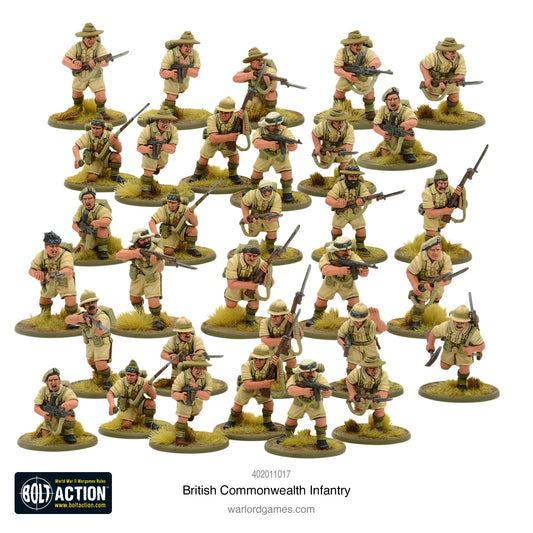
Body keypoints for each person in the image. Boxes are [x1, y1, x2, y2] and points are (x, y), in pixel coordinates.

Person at [306, 236, 370, 326]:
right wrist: (341, 270)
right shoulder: (328, 256)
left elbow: (360, 263)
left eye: (348, 249)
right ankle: (317, 316)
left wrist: (363, 271)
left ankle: (353, 320)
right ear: (335, 250)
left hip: (347, 282)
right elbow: (325, 269)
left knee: (354, 300)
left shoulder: (352, 255)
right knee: (321, 299)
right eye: (343, 250)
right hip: (330, 281)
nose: (347, 252)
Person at [425, 305, 485, 391]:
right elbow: (434, 332)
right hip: (449, 348)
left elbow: (482, 346)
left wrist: (471, 349)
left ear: (467, 322)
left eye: (462, 323)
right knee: (444, 366)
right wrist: (430, 344)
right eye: (457, 321)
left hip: (464, 351)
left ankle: (461, 382)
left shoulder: (472, 332)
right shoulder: (446, 326)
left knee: (464, 369)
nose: (459, 324)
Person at [116, 228, 166, 330]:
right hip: (137, 277)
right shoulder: (133, 248)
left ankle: (156, 319)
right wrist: (135, 253)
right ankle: (140, 314)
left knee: (153, 300)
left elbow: (160, 269)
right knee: (134, 298)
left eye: (148, 238)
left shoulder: (157, 250)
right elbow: (119, 255)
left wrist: (155, 262)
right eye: (143, 240)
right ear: (136, 241)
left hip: (152, 278)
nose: (147, 241)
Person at [277, 359, 332, 450]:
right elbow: (290, 389)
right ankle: (288, 434)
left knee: (321, 419)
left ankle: (321, 438)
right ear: (301, 371)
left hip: (315, 402)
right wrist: (303, 391)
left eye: (313, 371)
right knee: (291, 419)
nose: (311, 374)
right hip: (299, 402)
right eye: (308, 372)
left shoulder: (318, 377)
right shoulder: (295, 377)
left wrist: (327, 392)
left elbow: (327, 387)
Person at [189, 96, 246, 184]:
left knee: (235, 157)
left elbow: (246, 132)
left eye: (226, 113)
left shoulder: (236, 119)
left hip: (227, 143)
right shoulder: (212, 119)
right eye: (221, 112)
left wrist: (243, 120)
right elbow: (214, 138)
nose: (223, 115)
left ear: (231, 113)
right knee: (203, 159)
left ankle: (233, 175)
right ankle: (197, 173)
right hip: (212, 143)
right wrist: (230, 137)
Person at [65, 290, 114, 390]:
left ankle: (107, 380)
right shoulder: (85, 315)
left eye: (93, 302)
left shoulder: (102, 316)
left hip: (101, 342)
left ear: (96, 303)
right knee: (91, 361)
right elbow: (67, 320)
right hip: (90, 342)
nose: (91, 305)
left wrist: (91, 323)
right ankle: (99, 375)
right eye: (88, 304)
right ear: (84, 306)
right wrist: (80, 319)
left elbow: (99, 331)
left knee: (100, 364)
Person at [223, 343, 278, 431]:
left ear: (266, 359)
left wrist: (277, 366)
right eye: (255, 358)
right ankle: (231, 420)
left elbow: (279, 379)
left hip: (262, 390)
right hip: (247, 389)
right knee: (237, 406)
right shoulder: (246, 365)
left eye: (260, 359)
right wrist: (264, 384)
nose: (257, 361)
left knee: (269, 404)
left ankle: (267, 421)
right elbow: (248, 385)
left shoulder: (270, 366)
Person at [62, 23, 112, 118]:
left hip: (95, 75)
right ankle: (77, 109)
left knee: (101, 95)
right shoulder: (76, 47)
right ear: (83, 38)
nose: (91, 40)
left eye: (93, 37)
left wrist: (96, 63)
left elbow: (105, 63)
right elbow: (64, 61)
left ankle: (101, 111)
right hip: (80, 74)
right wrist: (74, 63)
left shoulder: (99, 47)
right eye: (89, 37)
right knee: (76, 93)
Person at [333, 30, 383, 120]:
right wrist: (346, 75)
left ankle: (369, 110)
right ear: (350, 45)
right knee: (339, 91)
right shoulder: (342, 52)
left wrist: (373, 66)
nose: (359, 46)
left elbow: (376, 60)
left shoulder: (366, 51)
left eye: (360, 43)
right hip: (346, 75)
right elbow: (336, 69)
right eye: (355, 44)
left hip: (361, 76)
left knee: (369, 91)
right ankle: (337, 110)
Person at [406, 236, 453, 329]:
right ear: (426, 250)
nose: (436, 253)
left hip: (438, 282)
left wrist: (437, 285)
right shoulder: (420, 258)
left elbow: (447, 279)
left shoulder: (445, 258)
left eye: (438, 249)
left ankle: (432, 314)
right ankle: (417, 319)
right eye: (432, 250)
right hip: (423, 281)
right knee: (422, 296)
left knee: (438, 293)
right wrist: (415, 285)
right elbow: (410, 272)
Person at [250, 111, 299, 202]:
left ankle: (287, 192)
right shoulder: (261, 130)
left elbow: (292, 141)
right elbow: (256, 143)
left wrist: (293, 146)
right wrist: (270, 144)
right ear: (267, 125)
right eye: (274, 126)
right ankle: (253, 189)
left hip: (281, 157)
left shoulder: (284, 130)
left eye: (279, 124)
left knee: (287, 172)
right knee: (256, 172)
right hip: (264, 156)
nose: (277, 127)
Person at [326, 159, 371, 254]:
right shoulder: (339, 185)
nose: (354, 179)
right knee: (336, 230)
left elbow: (369, 199)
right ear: (346, 176)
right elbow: (328, 199)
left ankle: (360, 247)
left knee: (361, 230)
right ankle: (335, 245)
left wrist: (362, 201)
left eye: (356, 176)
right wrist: (337, 203)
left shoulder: (361, 186)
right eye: (351, 176)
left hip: (356, 212)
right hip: (341, 213)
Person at [223, 239, 272, 326]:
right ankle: (232, 319)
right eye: (249, 255)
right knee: (231, 304)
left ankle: (250, 320)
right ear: (244, 253)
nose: (251, 258)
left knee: (254, 304)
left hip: (251, 287)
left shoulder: (261, 263)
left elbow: (269, 285)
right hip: (236, 285)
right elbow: (231, 284)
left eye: (255, 256)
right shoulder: (234, 261)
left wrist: (267, 273)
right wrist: (249, 285)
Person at [28, 231, 77, 318]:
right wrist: (36, 273)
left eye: (57, 246)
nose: (55, 249)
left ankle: (72, 318)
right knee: (44, 299)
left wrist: (53, 274)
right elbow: (31, 270)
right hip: (49, 282)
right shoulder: (40, 255)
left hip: (65, 280)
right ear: (45, 246)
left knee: (70, 299)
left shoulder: (66, 254)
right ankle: (45, 315)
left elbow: (68, 271)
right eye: (51, 246)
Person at [137, 106, 179, 199]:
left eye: (168, 122)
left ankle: (156, 168)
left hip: (163, 154)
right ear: (156, 122)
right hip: (150, 153)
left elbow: (172, 150)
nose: (165, 124)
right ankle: (146, 189)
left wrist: (161, 141)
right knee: (149, 169)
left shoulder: (172, 130)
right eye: (162, 121)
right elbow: (139, 147)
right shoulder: (148, 129)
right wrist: (146, 149)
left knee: (161, 166)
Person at [171, 355, 213, 445]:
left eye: (202, 368)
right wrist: (181, 396)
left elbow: (207, 396)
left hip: (197, 401)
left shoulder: (207, 377)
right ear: (191, 368)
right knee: (183, 417)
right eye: (197, 368)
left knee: (195, 412)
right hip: (184, 400)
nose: (199, 371)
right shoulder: (182, 376)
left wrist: (196, 389)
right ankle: (180, 436)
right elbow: (173, 394)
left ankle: (190, 414)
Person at [420, 37, 467, 115]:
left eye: (455, 50)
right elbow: (422, 64)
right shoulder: (433, 57)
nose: (454, 53)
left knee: (454, 96)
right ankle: (425, 112)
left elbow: (461, 75)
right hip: (435, 80)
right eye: (450, 51)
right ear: (444, 51)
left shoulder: (460, 58)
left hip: (451, 81)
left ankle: (452, 112)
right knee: (433, 96)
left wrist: (449, 84)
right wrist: (428, 79)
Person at [107, 360, 159, 429]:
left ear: (137, 376)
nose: (129, 377)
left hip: (140, 404)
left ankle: (149, 422)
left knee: (151, 403)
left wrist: (150, 387)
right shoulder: (122, 382)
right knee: (126, 425)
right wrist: (112, 404)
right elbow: (110, 393)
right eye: (127, 374)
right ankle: (132, 418)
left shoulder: (143, 381)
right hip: (128, 406)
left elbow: (153, 397)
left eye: (132, 375)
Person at [149, 188, 200, 257]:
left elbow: (195, 224)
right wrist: (155, 233)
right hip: (169, 233)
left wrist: (191, 216)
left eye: (173, 203)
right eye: (169, 202)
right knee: (168, 251)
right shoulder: (163, 210)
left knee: (193, 230)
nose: (171, 205)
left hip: (181, 230)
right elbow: (152, 221)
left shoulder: (185, 209)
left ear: (179, 203)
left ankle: (191, 249)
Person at [72, 114, 123, 183]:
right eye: (93, 128)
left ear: (103, 129)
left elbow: (119, 150)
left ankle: (114, 176)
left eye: (98, 128)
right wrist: (77, 158)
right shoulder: (87, 135)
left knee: (117, 157)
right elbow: (75, 147)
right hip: (94, 160)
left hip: (105, 157)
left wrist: (115, 142)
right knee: (91, 178)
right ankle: (99, 171)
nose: (95, 131)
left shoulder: (109, 135)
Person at [159, 31, 201, 116]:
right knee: (171, 96)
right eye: (186, 45)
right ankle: (168, 115)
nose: (189, 48)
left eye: (191, 46)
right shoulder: (171, 54)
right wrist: (170, 73)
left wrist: (185, 67)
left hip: (184, 81)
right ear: (180, 46)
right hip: (172, 80)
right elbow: (162, 72)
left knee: (181, 90)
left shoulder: (195, 54)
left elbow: (195, 74)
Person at [346, 354, 390, 431]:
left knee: (380, 411)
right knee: (358, 410)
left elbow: (383, 393)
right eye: (371, 368)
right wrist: (352, 393)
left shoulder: (383, 374)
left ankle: (378, 426)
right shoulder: (357, 373)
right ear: (366, 367)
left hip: (376, 396)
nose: (375, 370)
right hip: (360, 395)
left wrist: (370, 399)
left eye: (376, 367)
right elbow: (349, 381)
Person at [337, 303, 386, 373]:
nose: (355, 322)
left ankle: (373, 378)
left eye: (358, 320)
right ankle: (351, 378)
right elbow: (340, 336)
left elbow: (383, 329)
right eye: (354, 319)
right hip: (354, 347)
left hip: (369, 347)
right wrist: (342, 343)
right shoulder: (348, 324)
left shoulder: (370, 324)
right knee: (351, 364)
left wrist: (377, 320)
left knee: (373, 365)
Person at [34, 368, 79, 444]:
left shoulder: (65, 390)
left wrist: (66, 406)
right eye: (50, 380)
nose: (53, 382)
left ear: (59, 381)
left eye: (56, 379)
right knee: (45, 435)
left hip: (62, 415)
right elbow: (36, 407)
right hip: (50, 416)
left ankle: (68, 433)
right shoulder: (43, 391)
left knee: (70, 413)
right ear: (47, 383)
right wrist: (43, 414)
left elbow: (75, 402)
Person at [373, 87, 418, 163]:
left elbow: (414, 121)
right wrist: (383, 133)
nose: (392, 101)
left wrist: (405, 125)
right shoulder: (382, 110)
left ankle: (408, 153)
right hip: (389, 135)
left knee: (409, 132)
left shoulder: (404, 110)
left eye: (395, 99)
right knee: (385, 154)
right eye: (390, 99)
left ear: (399, 100)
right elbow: (375, 127)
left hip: (401, 133)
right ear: (386, 102)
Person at [260, 299, 301, 378]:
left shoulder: (288, 322)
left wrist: (294, 324)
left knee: (292, 361)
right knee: (270, 371)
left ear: (283, 316)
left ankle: (290, 378)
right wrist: (283, 340)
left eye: (276, 316)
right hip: (269, 352)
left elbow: (299, 337)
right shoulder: (265, 322)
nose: (273, 318)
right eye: (271, 315)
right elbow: (265, 341)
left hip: (286, 349)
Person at [240, 180, 282, 253]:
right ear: (259, 189)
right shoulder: (252, 194)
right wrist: (246, 215)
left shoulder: (276, 197)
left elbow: (275, 215)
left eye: (269, 190)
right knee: (253, 234)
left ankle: (270, 247)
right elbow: (244, 203)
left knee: (272, 233)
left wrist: (261, 220)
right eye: (264, 190)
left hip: (269, 218)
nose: (267, 193)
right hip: (254, 216)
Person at [420, 169, 463, 239]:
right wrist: (446, 211)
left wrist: (460, 196)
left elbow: (461, 207)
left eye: (445, 183)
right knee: (431, 232)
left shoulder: (449, 189)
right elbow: (429, 213)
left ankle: (437, 241)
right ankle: (429, 244)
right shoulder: (427, 192)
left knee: (439, 229)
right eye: (440, 183)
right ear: (435, 183)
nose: (443, 186)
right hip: (432, 215)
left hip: (443, 216)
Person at [160, 317, 206, 382]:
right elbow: (163, 354)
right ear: (179, 333)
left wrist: (193, 356)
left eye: (189, 331)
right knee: (177, 383)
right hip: (177, 370)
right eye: (185, 333)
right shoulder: (172, 341)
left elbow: (201, 351)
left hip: (194, 369)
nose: (188, 334)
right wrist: (170, 358)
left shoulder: (196, 339)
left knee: (198, 382)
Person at [233, 47, 278, 113]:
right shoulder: (248, 69)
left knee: (271, 94)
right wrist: (249, 75)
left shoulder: (269, 70)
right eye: (257, 60)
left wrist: (268, 80)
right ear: (251, 62)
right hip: (254, 94)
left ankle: (272, 113)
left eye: (261, 59)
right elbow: (235, 78)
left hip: (266, 94)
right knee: (251, 110)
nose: (261, 62)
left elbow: (273, 88)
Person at [72, 186, 112, 259]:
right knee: (85, 251)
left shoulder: (101, 208)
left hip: (98, 231)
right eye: (85, 199)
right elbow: (74, 224)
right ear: (82, 201)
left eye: (90, 198)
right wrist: (79, 231)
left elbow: (107, 220)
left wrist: (98, 222)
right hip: (87, 233)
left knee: (102, 230)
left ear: (94, 200)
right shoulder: (81, 209)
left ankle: (102, 250)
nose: (87, 201)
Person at [311, 106, 355, 170]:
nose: (341, 124)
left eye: (342, 121)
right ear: (332, 120)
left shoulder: (349, 128)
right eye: (337, 121)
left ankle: (342, 174)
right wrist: (317, 146)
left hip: (342, 151)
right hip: (326, 150)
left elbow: (349, 146)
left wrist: (336, 152)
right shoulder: (323, 126)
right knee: (324, 165)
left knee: (345, 166)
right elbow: (314, 134)